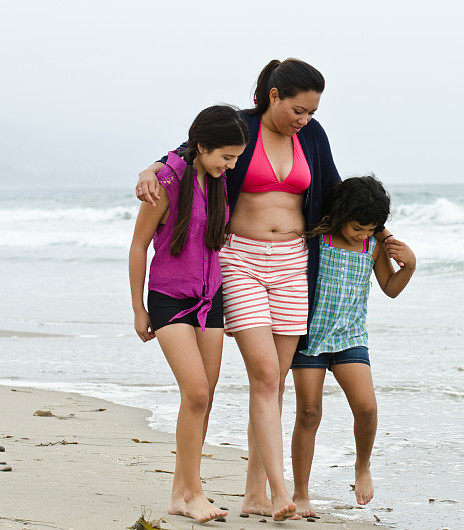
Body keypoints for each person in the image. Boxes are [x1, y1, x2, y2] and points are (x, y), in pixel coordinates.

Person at [134, 58, 389, 518]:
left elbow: (335, 193)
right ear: (274, 96)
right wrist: (152, 167)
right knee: (265, 375)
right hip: (240, 259)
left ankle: (255, 493)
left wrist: (382, 234)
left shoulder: (311, 136)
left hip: (293, 264)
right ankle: (276, 488)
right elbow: (194, 147)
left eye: (311, 112)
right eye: (298, 110)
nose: (305, 120)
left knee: (275, 384)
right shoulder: (242, 128)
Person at [128, 105, 248, 523]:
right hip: (168, 299)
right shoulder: (165, 182)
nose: (230, 165)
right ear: (201, 146)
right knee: (195, 391)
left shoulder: (218, 181)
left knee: (205, 398)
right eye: (226, 157)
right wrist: (138, 307)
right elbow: (139, 245)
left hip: (210, 299)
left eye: (235, 158)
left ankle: (182, 492)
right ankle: (193, 493)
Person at [290, 176, 416, 517]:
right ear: (342, 214)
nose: (362, 234)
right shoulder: (318, 237)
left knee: (367, 408)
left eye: (371, 228)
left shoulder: (371, 246)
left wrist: (411, 265)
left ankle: (362, 466)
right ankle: (301, 494)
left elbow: (390, 287)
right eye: (358, 227)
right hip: (309, 339)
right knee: (309, 413)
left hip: (350, 337)